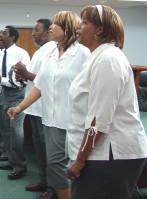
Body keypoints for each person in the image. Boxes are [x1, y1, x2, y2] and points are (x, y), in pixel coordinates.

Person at [66, 5, 147, 199]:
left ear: (100, 30)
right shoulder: (97, 58)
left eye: (85, 22)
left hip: (109, 155)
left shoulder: (107, 60)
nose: (78, 26)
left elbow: (98, 120)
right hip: (100, 153)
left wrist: (79, 160)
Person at [8, 11, 90, 199]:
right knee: (55, 165)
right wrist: (20, 107)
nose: (51, 27)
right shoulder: (51, 52)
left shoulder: (83, 53)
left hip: (73, 121)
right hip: (50, 119)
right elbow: (40, 85)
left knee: (62, 166)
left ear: (67, 28)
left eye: (56, 24)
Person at [14, 18, 56, 196]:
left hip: (44, 108)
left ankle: (53, 187)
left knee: (49, 150)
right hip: (34, 106)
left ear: (48, 32)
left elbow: (45, 80)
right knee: (39, 147)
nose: (33, 33)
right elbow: (34, 78)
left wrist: (26, 73)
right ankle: (43, 180)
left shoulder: (52, 50)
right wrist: (22, 76)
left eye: (37, 30)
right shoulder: (39, 52)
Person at [0, 25, 30, 180]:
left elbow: (22, 80)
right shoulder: (1, 54)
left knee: (15, 132)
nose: (0, 35)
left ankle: (20, 166)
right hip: (2, 94)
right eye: (0, 32)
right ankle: (9, 158)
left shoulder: (21, 54)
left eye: (4, 33)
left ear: (12, 37)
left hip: (16, 96)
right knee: (5, 129)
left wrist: (3, 80)